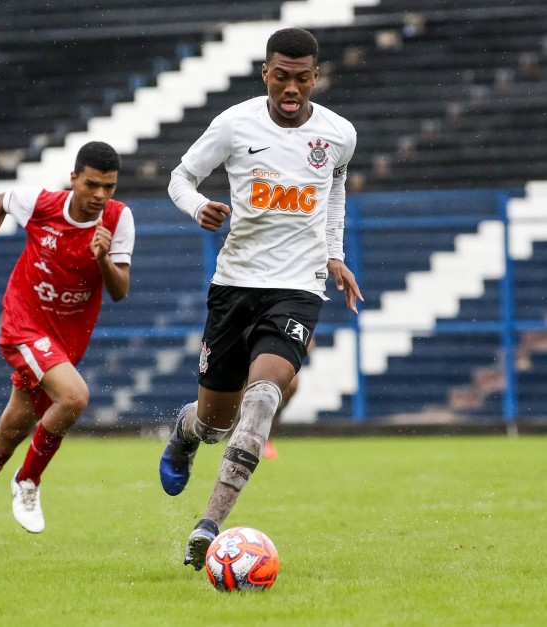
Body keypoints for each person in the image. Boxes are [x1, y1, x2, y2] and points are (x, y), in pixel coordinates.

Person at [158, 28, 363, 570]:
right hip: (234, 285)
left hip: (298, 288)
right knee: (214, 421)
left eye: (302, 77)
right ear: (265, 73)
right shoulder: (234, 125)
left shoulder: (339, 134)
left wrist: (334, 254)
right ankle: (185, 432)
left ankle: (209, 527)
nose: (291, 88)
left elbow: (334, 192)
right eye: (281, 76)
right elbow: (180, 177)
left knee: (265, 397)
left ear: (315, 77)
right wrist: (197, 206)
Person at [0, 141, 135, 553]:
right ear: (74, 179)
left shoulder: (118, 219)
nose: (100, 195)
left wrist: (102, 259)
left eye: (109, 187)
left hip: (66, 339)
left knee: (12, 429)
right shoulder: (42, 204)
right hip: (24, 323)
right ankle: (28, 480)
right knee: (75, 396)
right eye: (92, 184)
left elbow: (120, 290)